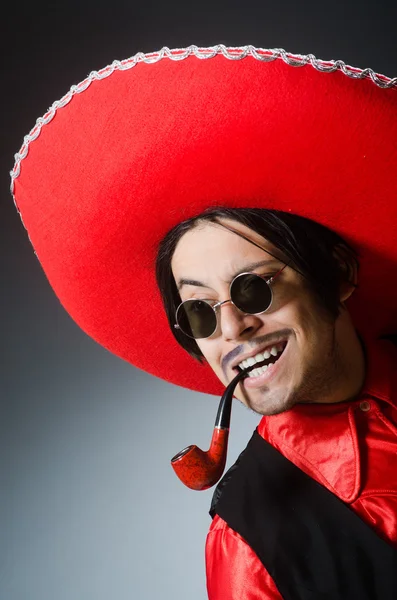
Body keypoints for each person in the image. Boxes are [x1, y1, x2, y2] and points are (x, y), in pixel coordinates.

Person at [11, 45, 397, 598]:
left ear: (335, 275)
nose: (233, 328)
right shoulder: (251, 547)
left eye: (252, 288)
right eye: (199, 311)